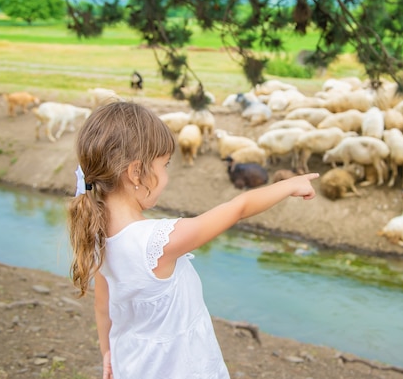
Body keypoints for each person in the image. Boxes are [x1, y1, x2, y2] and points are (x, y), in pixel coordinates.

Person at [67, 102, 318, 379]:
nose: (167, 175)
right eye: (164, 165)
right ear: (136, 173)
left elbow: (103, 307)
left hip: (134, 365)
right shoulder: (158, 243)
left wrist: (108, 354)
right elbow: (239, 207)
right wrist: (289, 185)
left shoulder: (99, 233)